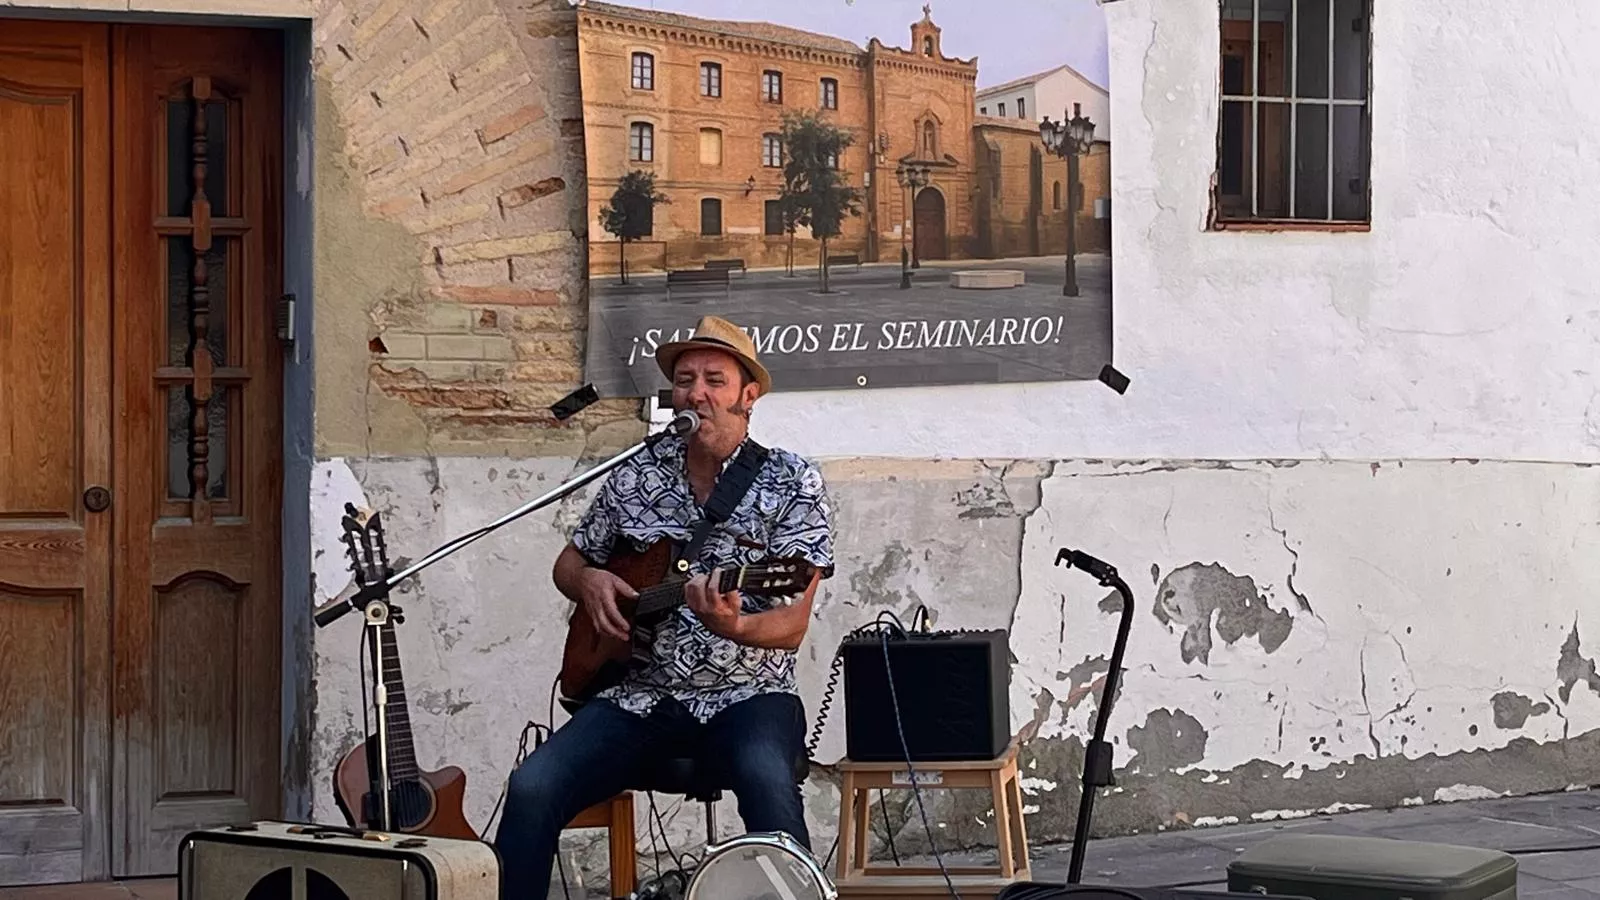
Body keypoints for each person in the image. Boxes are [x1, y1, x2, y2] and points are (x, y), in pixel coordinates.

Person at [493, 315, 835, 899]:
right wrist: (590, 581)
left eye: (715, 380)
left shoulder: (792, 480)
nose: (697, 393)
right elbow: (568, 563)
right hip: (640, 693)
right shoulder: (634, 474)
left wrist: (734, 624)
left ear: (748, 396)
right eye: (684, 380)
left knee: (767, 781)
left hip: (749, 692)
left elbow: (791, 626)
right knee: (533, 785)